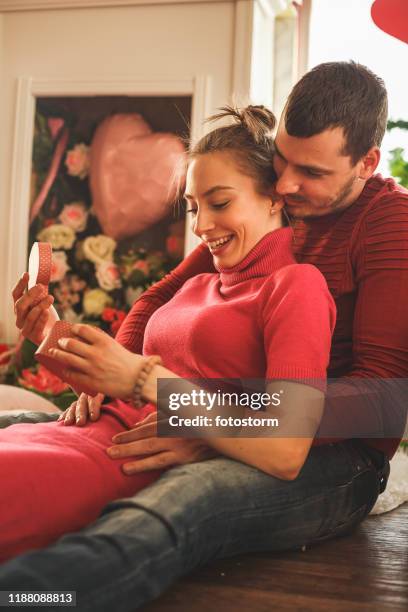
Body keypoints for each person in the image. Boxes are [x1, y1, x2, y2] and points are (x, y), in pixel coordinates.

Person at [1, 61, 407, 612]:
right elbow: (156, 301)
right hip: (238, 415)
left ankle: (27, 598)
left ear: (366, 163)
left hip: (337, 457)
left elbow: (383, 404)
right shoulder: (272, 214)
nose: (285, 185)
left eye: (308, 172)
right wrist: (105, 378)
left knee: (181, 501)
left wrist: (208, 418)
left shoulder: (388, 227)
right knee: (25, 425)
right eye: (281, 160)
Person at [1, 105, 335, 562]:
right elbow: (113, 386)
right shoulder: (196, 285)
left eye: (220, 203)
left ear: (275, 197)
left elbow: (285, 448)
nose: (200, 226)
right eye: (194, 207)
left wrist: (143, 379)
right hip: (73, 432)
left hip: (118, 462)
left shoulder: (297, 286)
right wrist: (48, 331)